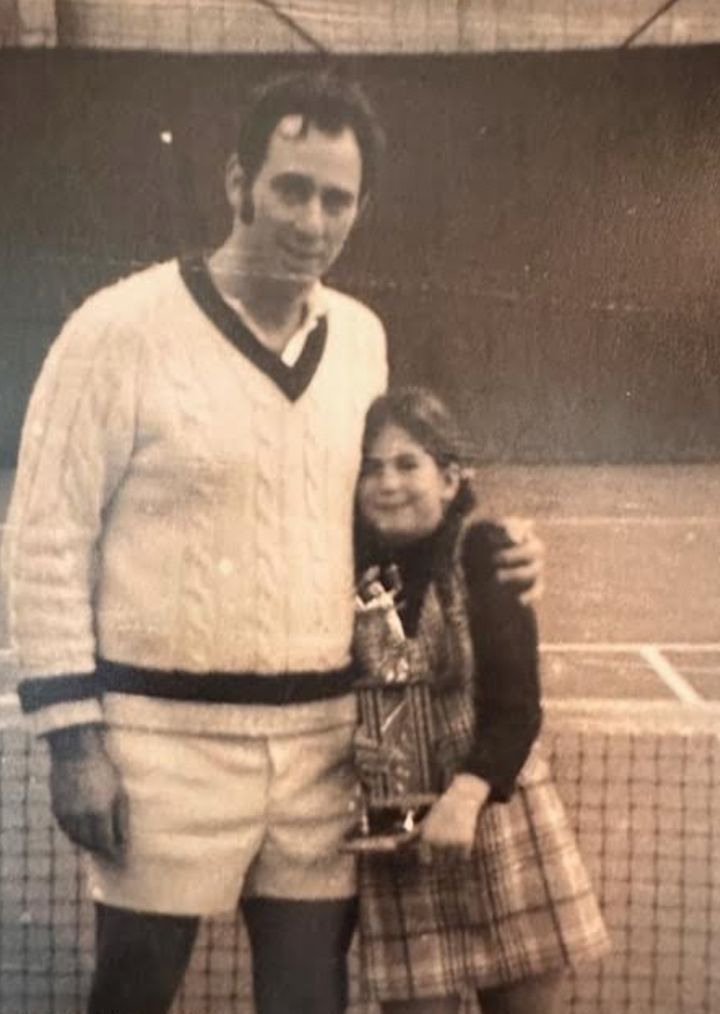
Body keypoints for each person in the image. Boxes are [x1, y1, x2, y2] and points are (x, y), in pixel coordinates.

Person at [2, 72, 544, 1014]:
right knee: (131, 995)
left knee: (307, 1000)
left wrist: (492, 543)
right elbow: (47, 536)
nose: (312, 217)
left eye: (337, 198)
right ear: (237, 183)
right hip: (157, 748)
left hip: (323, 754)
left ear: (360, 209)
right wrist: (73, 743)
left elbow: (380, 516)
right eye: (291, 187)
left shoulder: (362, 337)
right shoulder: (116, 330)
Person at [352, 387, 610, 1014]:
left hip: (499, 826)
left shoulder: (485, 547)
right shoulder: (344, 564)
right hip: (400, 847)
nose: (388, 482)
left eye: (407, 464)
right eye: (372, 466)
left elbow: (518, 706)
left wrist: (465, 798)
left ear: (449, 477)